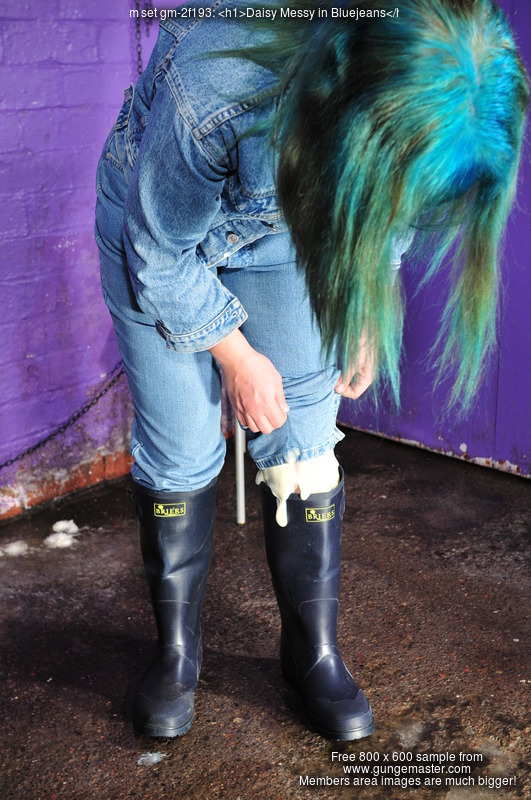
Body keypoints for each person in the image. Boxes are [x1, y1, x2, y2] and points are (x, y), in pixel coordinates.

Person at [94, 0, 528, 740]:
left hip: (292, 230)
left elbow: (387, 202)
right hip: (158, 231)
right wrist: (234, 353)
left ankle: (310, 654)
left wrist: (367, 301)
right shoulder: (219, 79)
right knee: (181, 448)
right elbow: (160, 254)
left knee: (303, 445)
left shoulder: (411, 93)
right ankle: (176, 655)